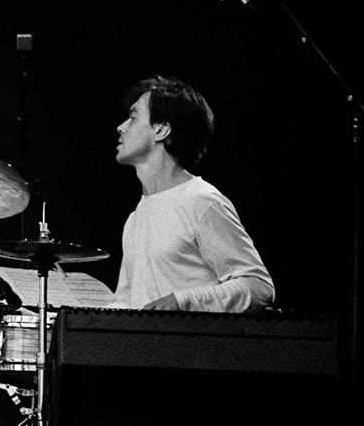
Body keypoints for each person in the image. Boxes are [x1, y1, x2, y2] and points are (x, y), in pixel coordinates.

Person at [112, 75, 274, 313]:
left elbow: (259, 286)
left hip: (196, 349)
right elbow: (128, 303)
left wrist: (183, 301)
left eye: (133, 117)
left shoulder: (202, 201)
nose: (121, 126)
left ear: (161, 129)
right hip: (150, 348)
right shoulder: (135, 218)